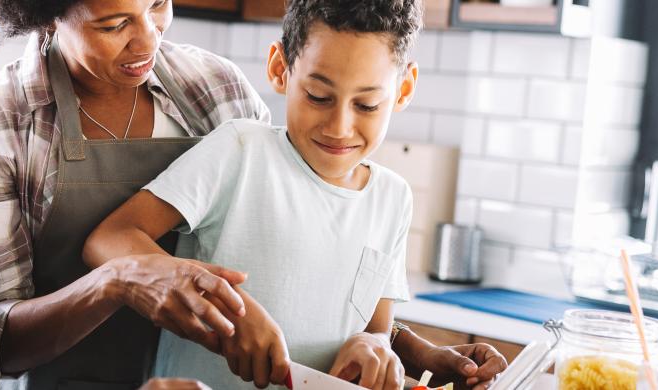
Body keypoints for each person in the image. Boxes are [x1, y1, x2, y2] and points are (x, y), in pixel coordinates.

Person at [81, 0, 506, 389]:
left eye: (367, 105)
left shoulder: (394, 199)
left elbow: (375, 328)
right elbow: (110, 239)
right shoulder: (239, 152)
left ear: (405, 89)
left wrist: (374, 347)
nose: (339, 126)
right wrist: (221, 304)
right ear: (280, 69)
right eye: (318, 96)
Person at [0, 0, 271, 387]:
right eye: (114, 26)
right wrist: (115, 282)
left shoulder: (218, 88)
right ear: (50, 18)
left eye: (157, 4)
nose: (147, 41)